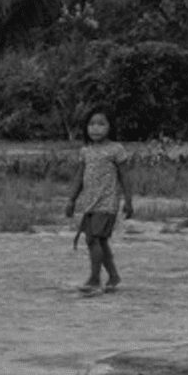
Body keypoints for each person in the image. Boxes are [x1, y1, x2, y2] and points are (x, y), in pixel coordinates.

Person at [65, 109, 133, 294]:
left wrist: (128, 201)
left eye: (101, 124)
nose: (96, 128)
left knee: (93, 239)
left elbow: (125, 177)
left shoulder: (116, 150)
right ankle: (113, 276)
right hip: (89, 203)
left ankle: (94, 279)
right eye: (91, 124)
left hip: (107, 203)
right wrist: (71, 200)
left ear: (110, 127)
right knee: (100, 241)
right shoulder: (85, 151)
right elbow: (79, 177)